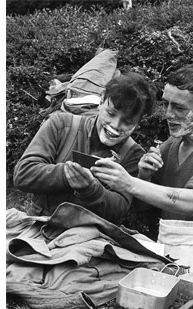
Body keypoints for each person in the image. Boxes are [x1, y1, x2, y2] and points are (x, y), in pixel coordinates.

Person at [92, 65, 193, 272]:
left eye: (179, 108)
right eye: (166, 104)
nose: (168, 114)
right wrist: (145, 175)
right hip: (167, 255)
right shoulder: (169, 146)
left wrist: (130, 182)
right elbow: (144, 207)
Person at [13, 72, 156, 225]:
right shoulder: (61, 124)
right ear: (101, 100)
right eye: (111, 113)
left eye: (127, 121)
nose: (115, 125)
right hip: (40, 225)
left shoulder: (133, 155)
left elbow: (119, 209)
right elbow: (23, 174)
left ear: (138, 122)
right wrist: (67, 174)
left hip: (90, 237)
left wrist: (91, 189)